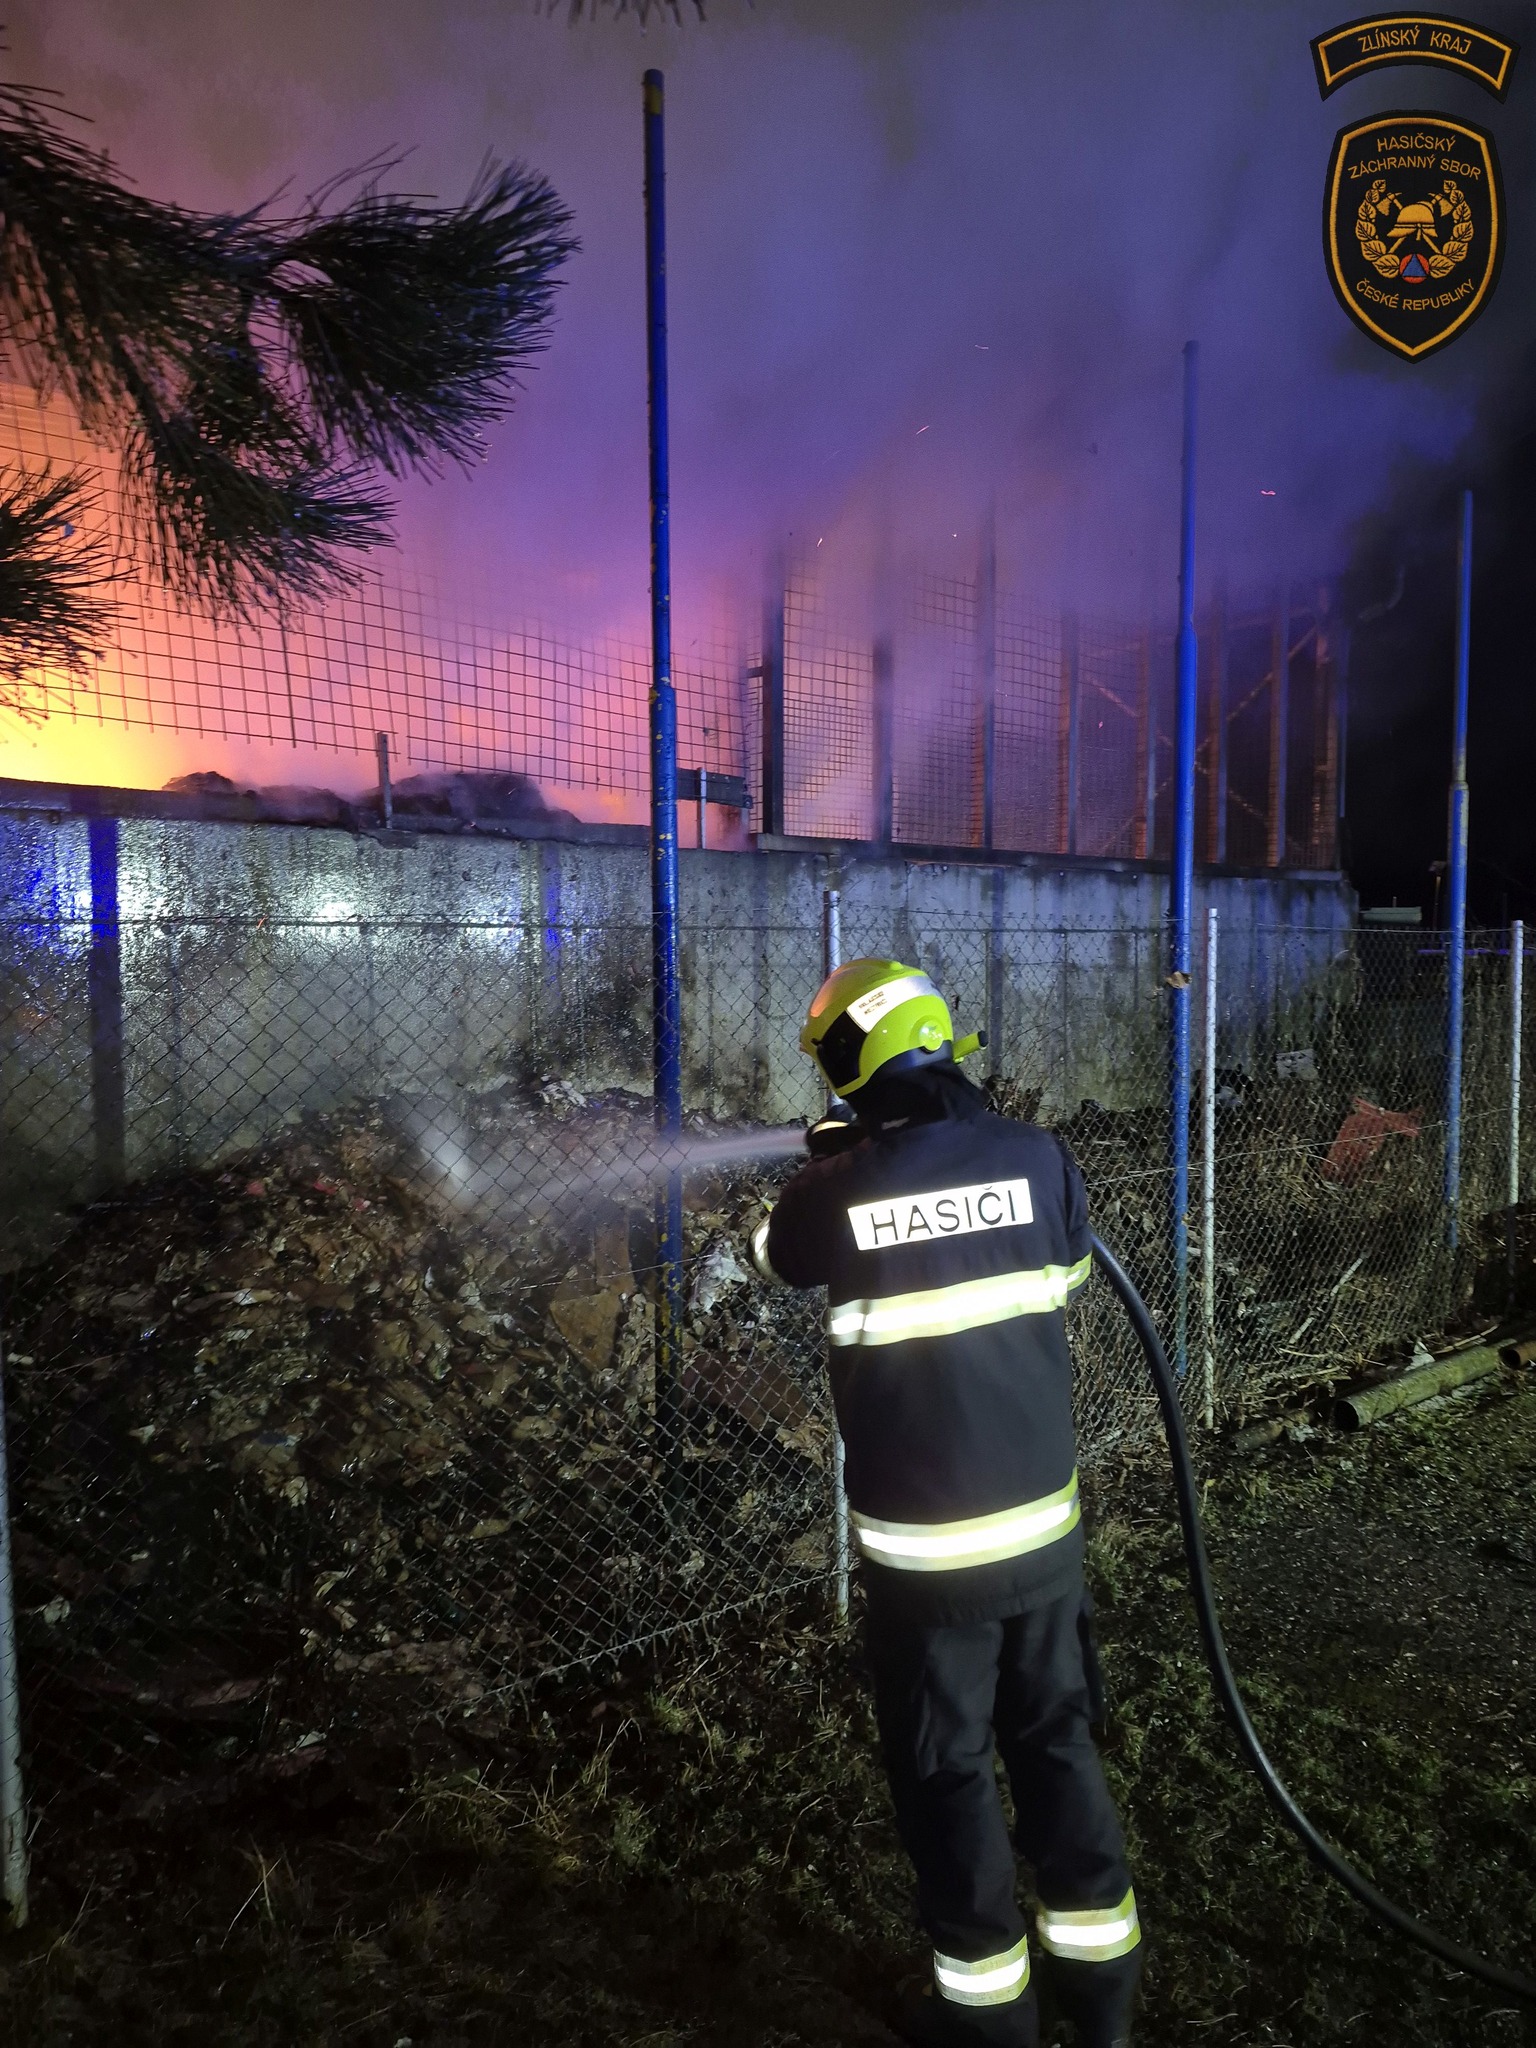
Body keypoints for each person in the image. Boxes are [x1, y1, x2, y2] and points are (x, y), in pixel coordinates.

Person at [750, 958, 1140, 2048]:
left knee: (949, 1772)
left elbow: (774, 1259)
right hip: (1044, 1538)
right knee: (1059, 1743)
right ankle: (1103, 1999)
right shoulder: (1037, 1156)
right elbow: (1062, 1277)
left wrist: (835, 1159)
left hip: (928, 1568)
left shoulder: (833, 1191)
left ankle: (990, 2018)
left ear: (852, 1062)